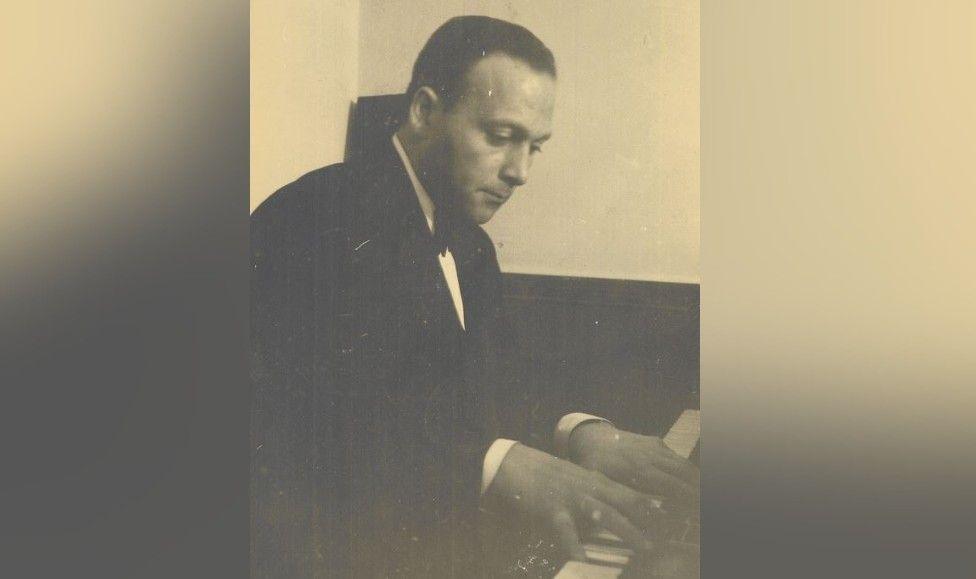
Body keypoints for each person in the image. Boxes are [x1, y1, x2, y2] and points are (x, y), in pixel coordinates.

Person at [251, 15, 698, 578]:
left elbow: (496, 383)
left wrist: (579, 433)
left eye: (535, 146)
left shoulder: (471, 246)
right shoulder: (310, 219)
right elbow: (306, 435)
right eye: (501, 136)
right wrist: (497, 466)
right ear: (425, 111)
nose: (520, 172)